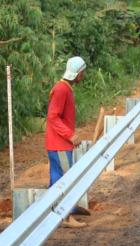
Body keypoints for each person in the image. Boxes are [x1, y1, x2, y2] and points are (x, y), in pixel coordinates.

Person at [45, 56, 89, 228]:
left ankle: (57, 210)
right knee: (64, 181)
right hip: (60, 145)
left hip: (58, 144)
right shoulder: (62, 90)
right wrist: (70, 135)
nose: (83, 75)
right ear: (78, 74)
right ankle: (66, 216)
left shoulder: (64, 88)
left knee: (57, 178)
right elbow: (52, 117)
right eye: (83, 72)